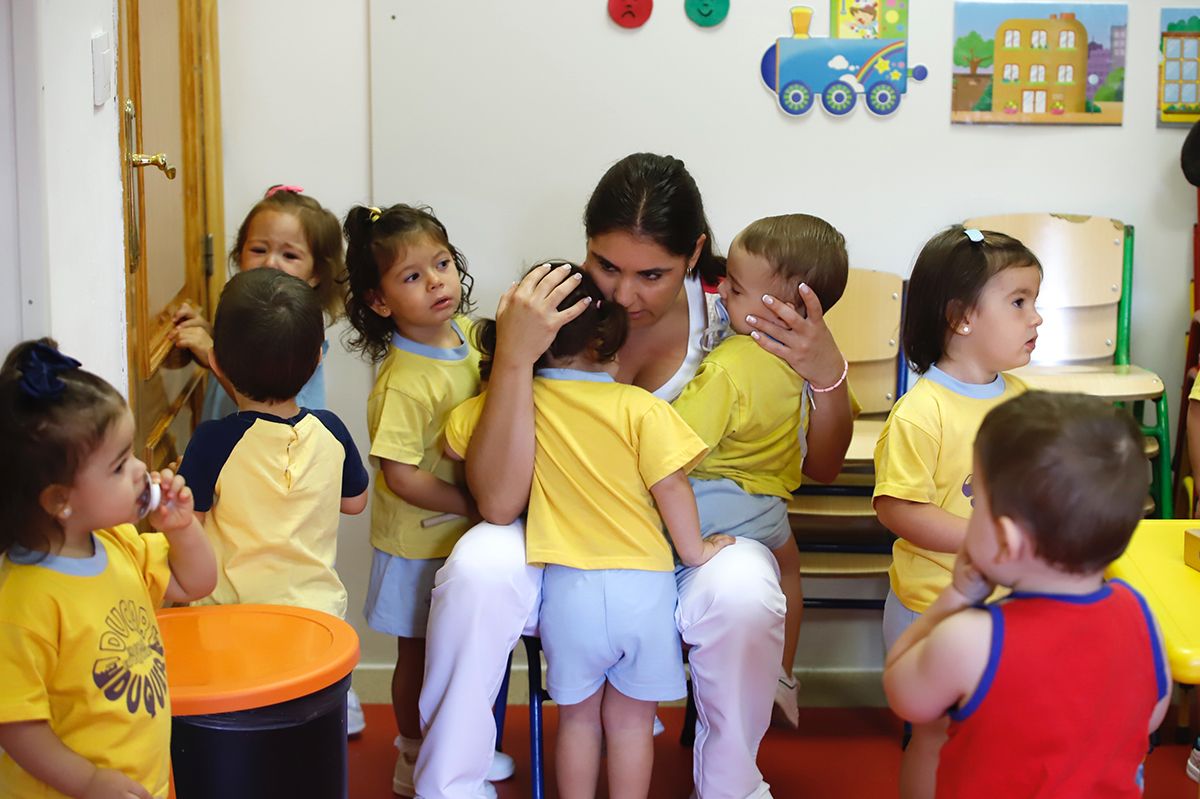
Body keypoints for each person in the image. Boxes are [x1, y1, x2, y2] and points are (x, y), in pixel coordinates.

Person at [416, 153, 854, 799]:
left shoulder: (741, 318)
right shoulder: (557, 310)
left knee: (744, 589)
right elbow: (500, 501)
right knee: (479, 565)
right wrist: (512, 360)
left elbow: (821, 465)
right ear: (586, 247)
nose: (625, 294)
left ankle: (732, 784)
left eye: (652, 274)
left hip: (678, 543)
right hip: (561, 534)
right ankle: (449, 783)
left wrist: (829, 371)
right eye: (607, 266)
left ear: (695, 254)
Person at [448, 263, 734, 799]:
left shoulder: (514, 404)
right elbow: (671, 485)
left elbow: (454, 444)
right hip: (643, 590)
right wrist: (695, 552)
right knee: (629, 725)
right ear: (606, 343)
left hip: (567, 593)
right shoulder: (639, 407)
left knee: (577, 722)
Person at [883, 391, 1171, 797]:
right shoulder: (1142, 616)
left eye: (976, 504)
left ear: (1006, 540)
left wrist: (952, 598)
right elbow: (1151, 716)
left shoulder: (969, 638)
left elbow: (901, 691)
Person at [340, 203, 513, 797]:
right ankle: (414, 752)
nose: (437, 281)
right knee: (419, 653)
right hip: (418, 542)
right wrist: (473, 502)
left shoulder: (466, 334)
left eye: (441, 264)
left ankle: (464, 744)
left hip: (464, 535)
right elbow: (399, 476)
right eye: (412, 276)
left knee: (468, 646)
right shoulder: (404, 382)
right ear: (380, 302)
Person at [0, 339, 217, 799]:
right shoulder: (24, 600)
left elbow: (196, 582)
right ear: (60, 500)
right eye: (120, 465)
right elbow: (16, 724)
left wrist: (181, 529)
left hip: (145, 782)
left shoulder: (115, 543)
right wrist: (89, 782)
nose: (142, 470)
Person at [873, 226, 1042, 799]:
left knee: (1000, 736)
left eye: (1035, 301)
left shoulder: (1021, 401)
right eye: (1019, 302)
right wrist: (981, 537)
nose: (1035, 318)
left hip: (1009, 606)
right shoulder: (921, 413)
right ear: (962, 318)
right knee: (934, 735)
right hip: (932, 607)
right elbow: (898, 508)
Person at [672, 214, 849, 729]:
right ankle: (783, 672)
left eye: (738, 287)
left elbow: (678, 448)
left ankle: (645, 669)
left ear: (787, 308)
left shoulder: (731, 365)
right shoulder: (804, 365)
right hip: (768, 512)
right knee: (789, 569)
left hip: (709, 502)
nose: (721, 288)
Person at [176, 269, 370, 729]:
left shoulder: (212, 441)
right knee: (300, 732)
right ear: (319, 358)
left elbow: (190, 521)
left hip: (228, 624)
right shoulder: (332, 431)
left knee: (240, 731)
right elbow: (355, 502)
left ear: (216, 363)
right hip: (316, 622)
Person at [169, 184, 344, 422]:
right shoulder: (243, 314)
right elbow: (244, 356)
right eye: (259, 249)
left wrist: (212, 355)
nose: (270, 262)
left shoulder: (293, 331)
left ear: (317, 274)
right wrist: (209, 333)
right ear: (239, 255)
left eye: (290, 255)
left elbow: (279, 416)